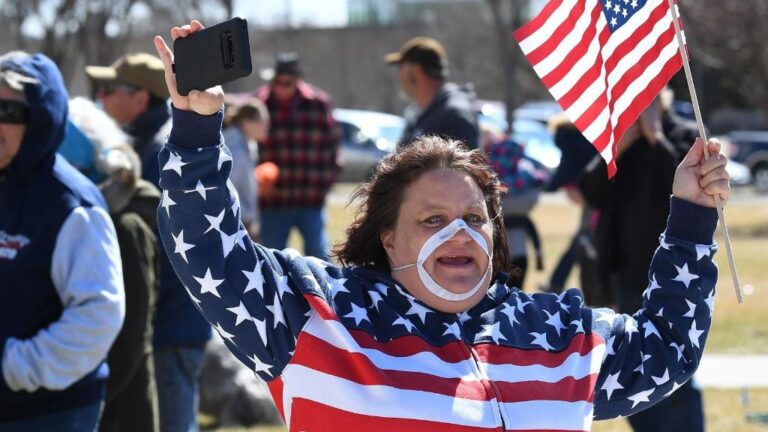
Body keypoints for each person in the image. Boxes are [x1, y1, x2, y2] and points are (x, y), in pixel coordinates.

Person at [154, 21, 730, 430]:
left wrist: (692, 216)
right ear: (388, 237)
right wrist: (197, 130)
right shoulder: (319, 317)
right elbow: (210, 250)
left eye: (475, 218)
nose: (460, 234)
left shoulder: (559, 333)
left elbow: (667, 349)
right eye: (432, 219)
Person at [86, 52, 211, 432]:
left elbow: (169, 248)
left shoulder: (158, 154)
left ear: (140, 98)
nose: (101, 98)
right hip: (171, 319)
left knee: (173, 424)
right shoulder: (148, 143)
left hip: (170, 323)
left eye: (109, 89)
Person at [0, 52, 125, 431]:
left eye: (9, 112)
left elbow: (98, 316)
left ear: (41, 120)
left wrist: (14, 366)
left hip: (48, 412)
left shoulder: (72, 204)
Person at [579, 101, 706, 431]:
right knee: (633, 373)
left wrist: (657, 138)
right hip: (625, 277)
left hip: (672, 277)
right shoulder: (622, 143)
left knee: (675, 373)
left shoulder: (686, 137)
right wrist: (618, 150)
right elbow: (591, 192)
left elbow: (683, 188)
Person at [59, 97, 161, 432]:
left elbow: (131, 335)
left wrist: (87, 395)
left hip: (116, 405)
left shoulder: (124, 225)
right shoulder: (66, 217)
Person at [256, 52, 341, 261]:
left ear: (297, 81)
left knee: (319, 256)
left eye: (287, 83)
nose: (282, 88)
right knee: (270, 260)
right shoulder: (260, 103)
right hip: (273, 200)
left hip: (310, 198)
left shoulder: (318, 103)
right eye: (278, 82)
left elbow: (334, 147)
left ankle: (325, 295)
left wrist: (324, 184)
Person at [385, 37, 479, 149]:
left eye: (401, 67)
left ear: (416, 70)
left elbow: (465, 164)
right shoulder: (416, 114)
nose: (399, 76)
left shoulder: (454, 114)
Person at [222, 99, 269, 239]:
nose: (267, 126)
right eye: (263, 122)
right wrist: (246, 222)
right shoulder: (235, 151)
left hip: (243, 222)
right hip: (235, 225)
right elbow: (227, 192)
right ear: (247, 123)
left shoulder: (248, 145)